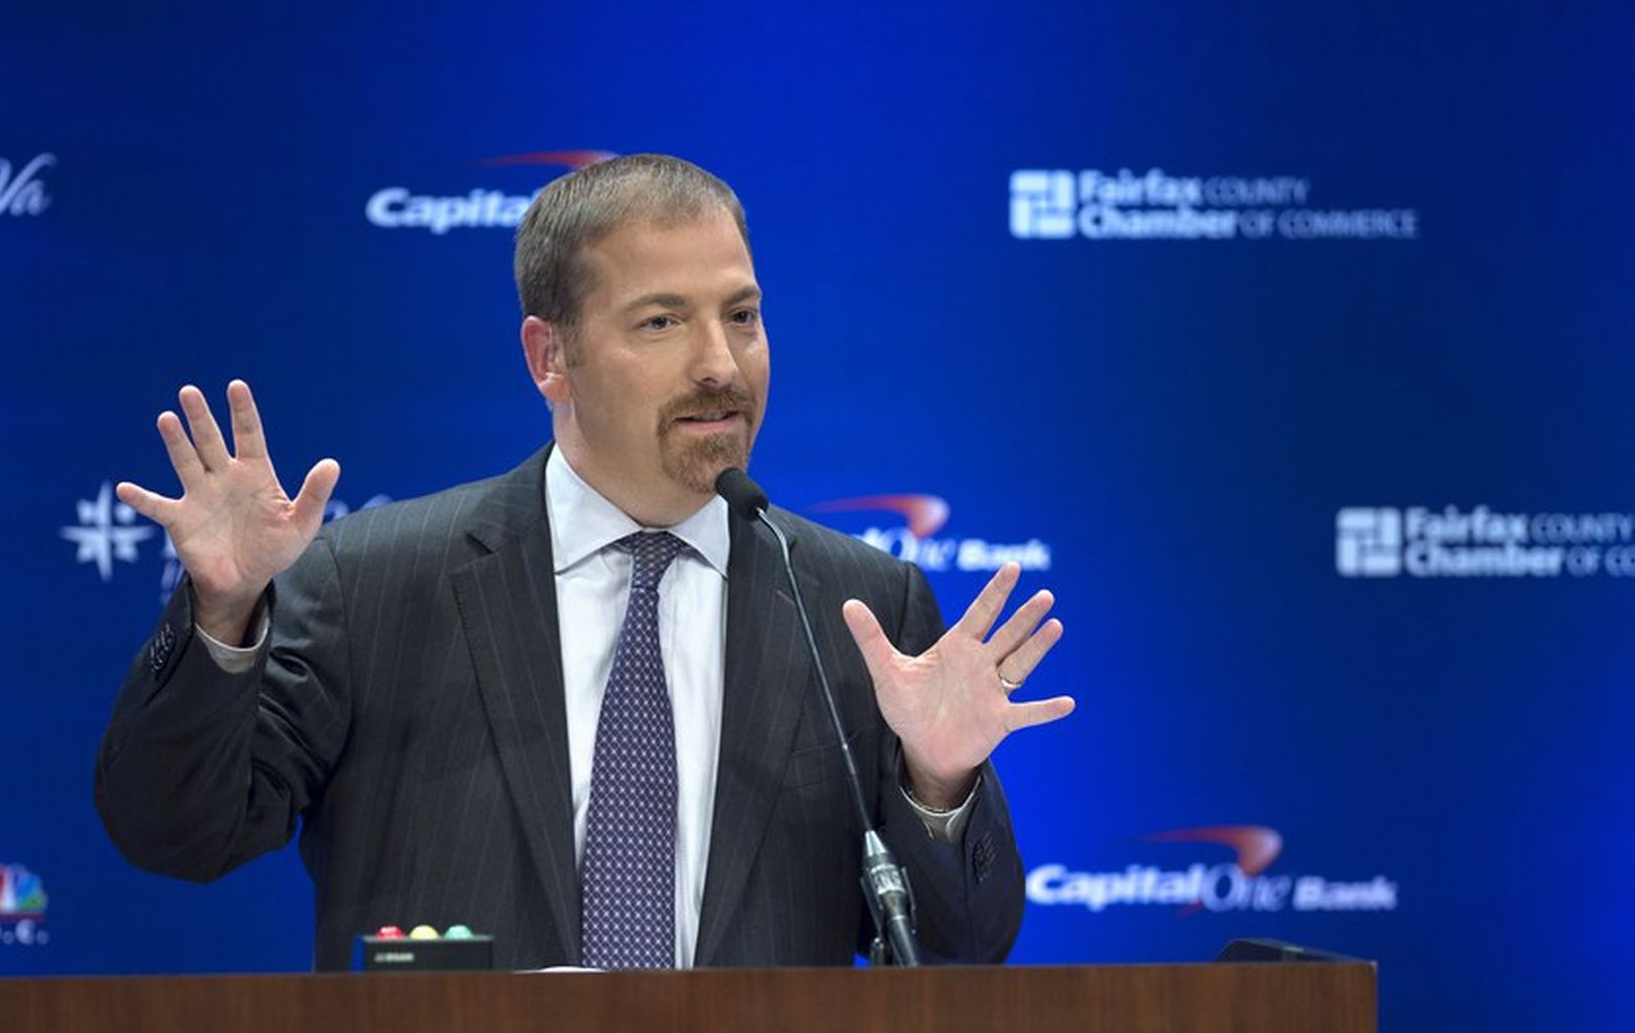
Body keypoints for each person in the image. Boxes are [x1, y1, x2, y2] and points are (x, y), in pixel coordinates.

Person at [95, 153, 1073, 971]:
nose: (721, 364)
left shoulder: (855, 604)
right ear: (549, 357)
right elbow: (178, 833)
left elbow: (959, 952)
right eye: (662, 322)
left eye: (741, 315)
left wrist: (937, 790)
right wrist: (223, 616)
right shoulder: (378, 582)